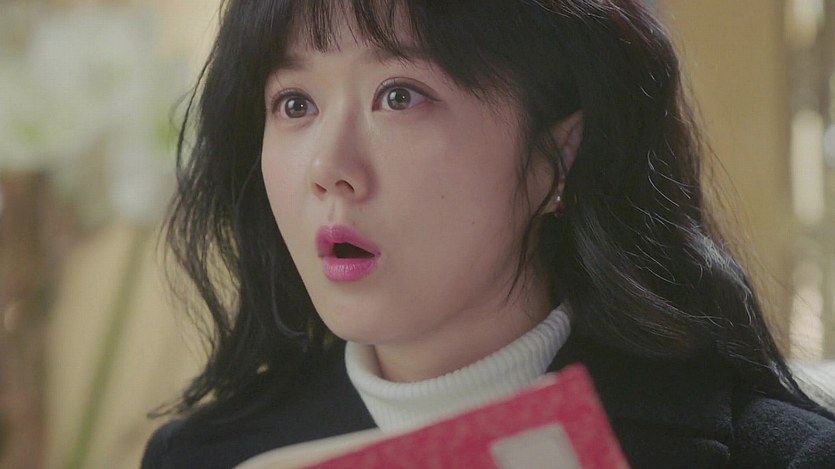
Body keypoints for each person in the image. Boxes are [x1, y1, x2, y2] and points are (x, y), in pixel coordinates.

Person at [141, 0, 835, 467]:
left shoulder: (781, 456)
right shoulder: (203, 457)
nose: (329, 168)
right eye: (295, 104)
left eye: (399, 95)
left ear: (557, 152)